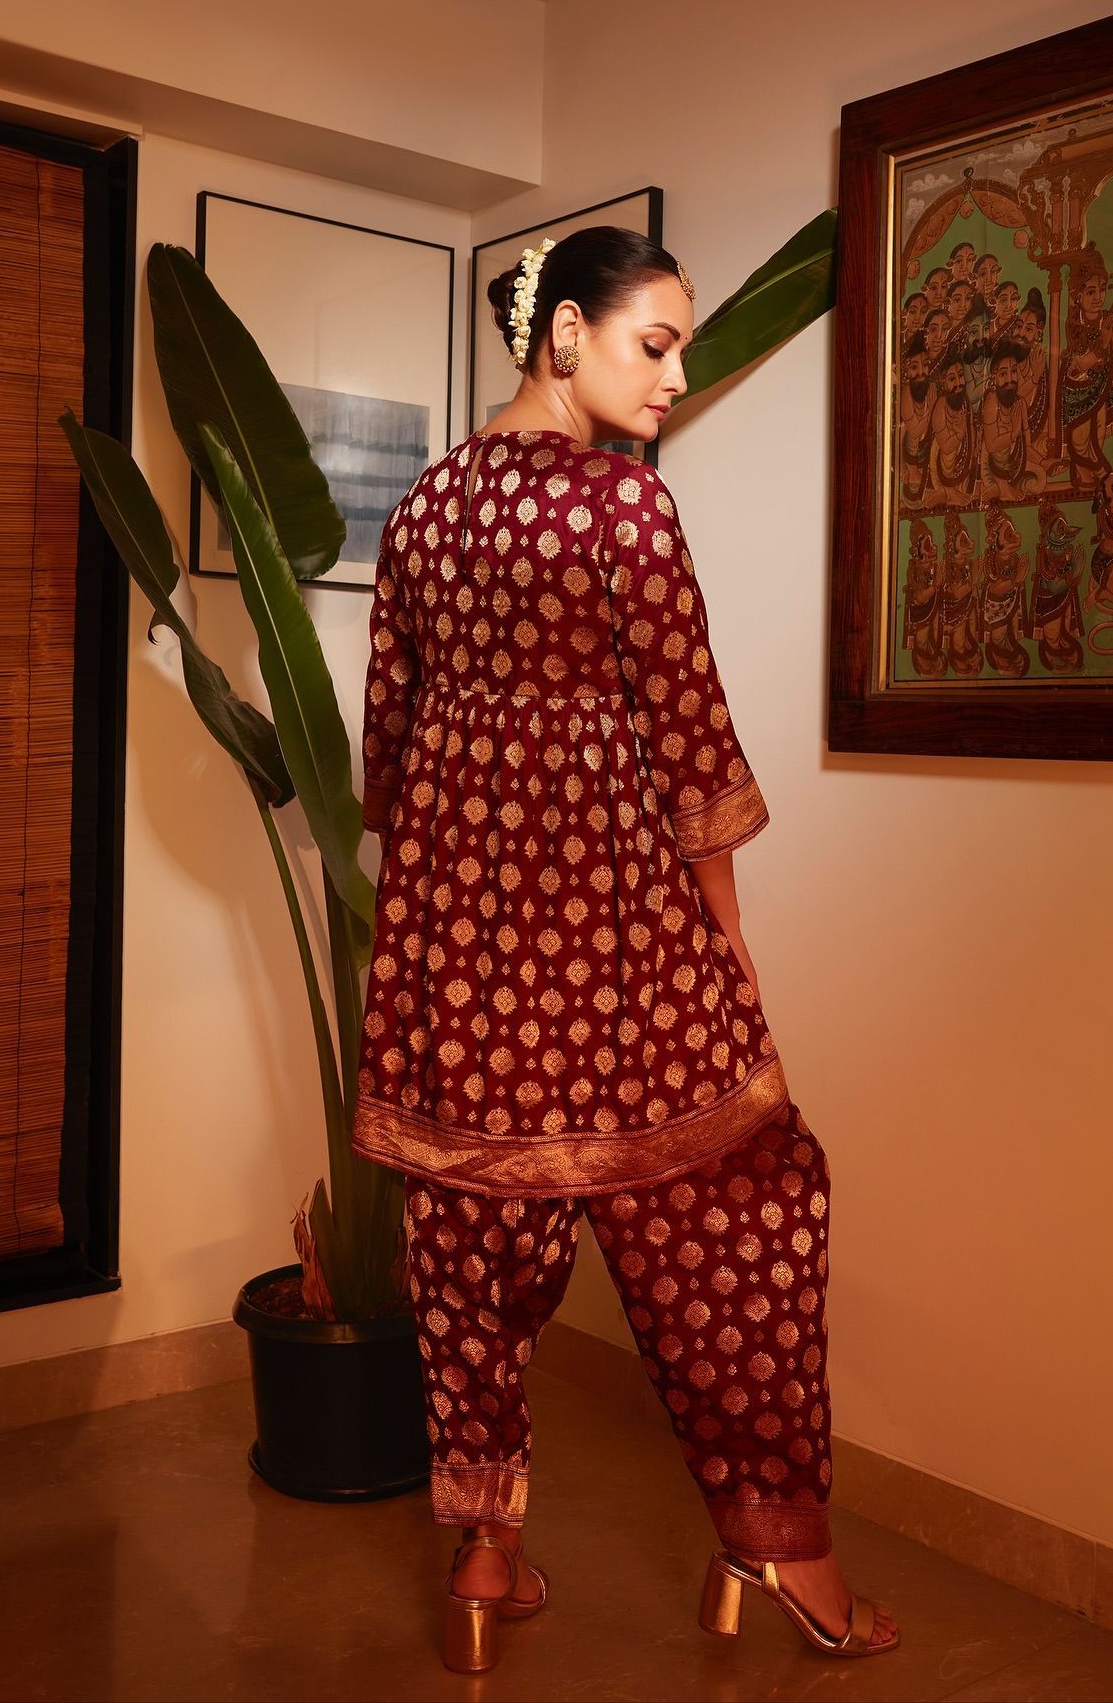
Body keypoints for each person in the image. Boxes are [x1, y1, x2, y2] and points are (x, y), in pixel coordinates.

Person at [352, 225, 900, 1672]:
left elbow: (389, 744)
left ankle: (484, 1554)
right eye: (652, 345)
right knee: (746, 1207)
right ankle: (780, 1547)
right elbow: (689, 738)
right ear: (564, 335)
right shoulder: (622, 509)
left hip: (456, 932)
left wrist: (437, 900)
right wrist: (729, 943)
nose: (672, 377)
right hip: (609, 934)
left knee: (470, 1236)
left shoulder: (424, 506)